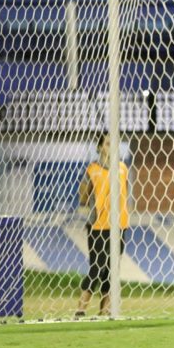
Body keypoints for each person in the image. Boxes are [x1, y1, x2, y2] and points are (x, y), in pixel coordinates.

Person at [75, 133, 129, 317]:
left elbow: (124, 196)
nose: (112, 146)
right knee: (97, 268)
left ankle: (104, 312)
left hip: (120, 225)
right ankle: (80, 310)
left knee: (112, 269)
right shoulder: (92, 169)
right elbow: (83, 199)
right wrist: (84, 192)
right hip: (98, 225)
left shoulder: (123, 168)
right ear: (100, 148)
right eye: (107, 143)